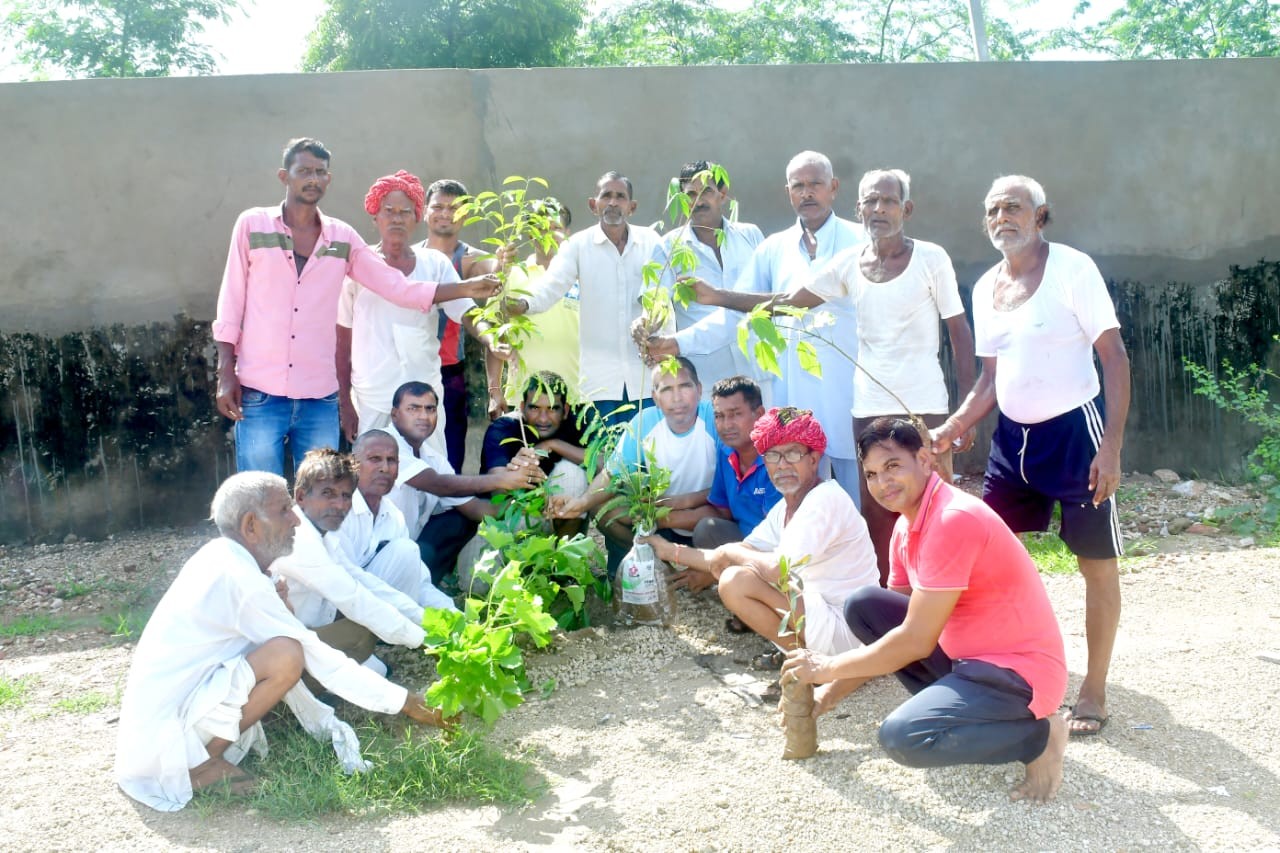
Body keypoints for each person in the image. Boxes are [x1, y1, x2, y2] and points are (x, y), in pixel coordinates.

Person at [114, 471, 449, 812]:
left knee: (302, 648)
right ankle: (200, 764)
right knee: (286, 656)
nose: (296, 521)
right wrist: (407, 703)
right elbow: (315, 656)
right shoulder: (239, 576)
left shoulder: (225, 557)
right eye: (284, 511)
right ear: (251, 526)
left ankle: (204, 752)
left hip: (158, 728)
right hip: (162, 745)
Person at [930, 175, 1130, 738]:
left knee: (1096, 564)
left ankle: (1093, 689)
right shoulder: (986, 286)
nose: (1002, 218)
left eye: (1013, 208)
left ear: (1041, 215)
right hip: (1011, 444)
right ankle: (996, 667)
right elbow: (990, 379)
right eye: (992, 210)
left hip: (1076, 435)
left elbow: (1113, 357)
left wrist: (1111, 445)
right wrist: (956, 424)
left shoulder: (1072, 269)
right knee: (986, 554)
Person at [782, 417, 1068, 802]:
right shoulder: (906, 526)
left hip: (1017, 673)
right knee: (864, 606)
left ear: (924, 459)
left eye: (893, 466)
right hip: (968, 660)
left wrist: (827, 668)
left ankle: (1039, 737)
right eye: (871, 474)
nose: (883, 483)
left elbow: (915, 640)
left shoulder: (952, 520)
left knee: (904, 738)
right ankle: (972, 711)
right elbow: (892, 631)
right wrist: (826, 696)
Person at [212, 138, 500, 475]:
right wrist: (225, 372)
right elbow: (231, 301)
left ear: (329, 180)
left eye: (320, 172)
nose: (313, 179)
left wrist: (465, 289)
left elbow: (397, 287)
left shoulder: (343, 239)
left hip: (318, 395)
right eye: (304, 171)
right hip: (261, 390)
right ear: (284, 176)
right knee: (260, 491)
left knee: (321, 492)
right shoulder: (253, 224)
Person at [784, 168, 976, 584]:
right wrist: (717, 297)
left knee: (934, 503)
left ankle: (942, 598)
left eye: (888, 201)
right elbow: (787, 303)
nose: (878, 209)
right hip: (869, 405)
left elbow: (959, 333)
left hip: (924, 405)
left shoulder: (930, 258)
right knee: (878, 507)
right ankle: (891, 601)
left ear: (906, 208)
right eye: (870, 201)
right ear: (858, 208)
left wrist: (965, 415)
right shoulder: (848, 264)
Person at [643, 151, 864, 502]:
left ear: (834, 188)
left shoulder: (862, 241)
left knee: (862, 492)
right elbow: (737, 315)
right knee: (802, 489)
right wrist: (677, 344)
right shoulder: (773, 249)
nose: (807, 193)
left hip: (851, 387)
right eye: (799, 186)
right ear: (788, 192)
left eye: (816, 185)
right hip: (793, 388)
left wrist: (716, 296)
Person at [645, 407, 878, 678]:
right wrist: (668, 550)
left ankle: (816, 667)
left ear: (814, 459)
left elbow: (777, 570)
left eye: (793, 454)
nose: (782, 465)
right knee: (736, 571)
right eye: (772, 455)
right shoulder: (786, 507)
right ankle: (805, 660)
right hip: (823, 618)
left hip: (849, 631)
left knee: (736, 580)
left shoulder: (823, 501)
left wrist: (731, 551)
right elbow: (727, 556)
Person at [336, 170, 505, 446]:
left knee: (432, 467)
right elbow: (342, 340)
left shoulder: (434, 263)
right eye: (388, 210)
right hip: (373, 396)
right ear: (375, 217)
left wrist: (491, 337)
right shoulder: (358, 267)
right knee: (374, 474)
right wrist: (345, 401)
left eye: (405, 211)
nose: (396, 218)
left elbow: (466, 311)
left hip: (424, 394)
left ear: (417, 217)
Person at [271, 449, 449, 687]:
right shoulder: (297, 539)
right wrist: (425, 639)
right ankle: (283, 695)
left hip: (311, 629)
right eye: (328, 494)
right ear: (301, 497)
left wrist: (429, 622)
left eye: (345, 496)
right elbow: (353, 597)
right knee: (359, 635)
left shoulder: (324, 533)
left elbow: (363, 580)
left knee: (378, 670)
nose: (339, 504)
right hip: (276, 649)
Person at [506, 171, 664, 424]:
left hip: (646, 375)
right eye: (606, 196)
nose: (613, 202)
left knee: (648, 455)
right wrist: (523, 304)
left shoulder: (652, 241)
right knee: (604, 458)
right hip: (599, 382)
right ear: (593, 205)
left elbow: (660, 293)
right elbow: (550, 287)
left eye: (620, 197)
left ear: (631, 207)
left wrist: (651, 320)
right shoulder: (578, 245)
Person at [549, 357, 717, 575]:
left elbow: (730, 491)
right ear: (655, 397)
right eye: (666, 389)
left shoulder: (714, 419)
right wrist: (581, 503)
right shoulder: (644, 422)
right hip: (658, 516)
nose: (677, 398)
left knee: (719, 519)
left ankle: (709, 568)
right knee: (603, 511)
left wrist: (676, 503)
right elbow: (612, 474)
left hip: (705, 517)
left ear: (700, 389)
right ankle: (658, 565)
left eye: (685, 386)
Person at [383, 383, 534, 584]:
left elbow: (475, 508)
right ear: (395, 414)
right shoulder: (384, 445)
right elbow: (438, 484)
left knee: (458, 520)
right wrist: (502, 479)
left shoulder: (432, 457)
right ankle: (407, 587)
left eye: (430, 409)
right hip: (376, 554)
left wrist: (526, 501)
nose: (423, 416)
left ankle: (424, 584)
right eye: (413, 408)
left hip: (408, 550)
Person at [645, 160, 764, 396]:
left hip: (758, 367)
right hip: (707, 373)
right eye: (690, 194)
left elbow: (767, 298)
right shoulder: (669, 246)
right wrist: (645, 327)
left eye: (706, 191)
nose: (698, 201)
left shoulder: (750, 235)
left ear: (722, 194)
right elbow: (656, 303)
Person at [418, 178, 503, 471]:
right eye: (438, 207)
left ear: (465, 214)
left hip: (450, 370)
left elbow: (493, 274)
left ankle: (449, 510)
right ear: (425, 211)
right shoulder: (410, 257)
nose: (445, 213)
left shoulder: (471, 258)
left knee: (450, 451)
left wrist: (502, 264)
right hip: (411, 365)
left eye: (454, 208)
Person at [676, 375, 781, 595]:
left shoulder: (777, 459)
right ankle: (738, 584)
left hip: (777, 553)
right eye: (719, 416)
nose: (726, 425)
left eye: (735, 414)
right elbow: (723, 511)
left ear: (759, 415)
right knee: (707, 529)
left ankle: (755, 593)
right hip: (743, 542)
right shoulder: (726, 453)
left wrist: (711, 568)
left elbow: (779, 538)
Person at [334, 429, 458, 605]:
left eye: (391, 460)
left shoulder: (394, 516)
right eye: (375, 459)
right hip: (331, 615)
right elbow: (341, 584)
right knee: (406, 551)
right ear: (353, 464)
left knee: (408, 554)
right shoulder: (337, 510)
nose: (385, 468)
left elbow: (420, 584)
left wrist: (454, 617)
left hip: (372, 609)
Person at [481, 370, 590, 533]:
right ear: (522, 407)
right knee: (472, 555)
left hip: (557, 516)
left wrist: (553, 444)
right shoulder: (503, 428)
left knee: (572, 473)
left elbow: (607, 466)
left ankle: (564, 554)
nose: (543, 418)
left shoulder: (577, 423)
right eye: (535, 408)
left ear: (565, 410)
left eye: (552, 409)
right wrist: (518, 471)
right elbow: (498, 491)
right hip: (511, 519)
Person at [498, 199, 581, 403]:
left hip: (576, 396)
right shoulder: (511, 274)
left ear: (567, 233)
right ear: (529, 233)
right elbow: (494, 329)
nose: (548, 234)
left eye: (555, 228)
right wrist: (494, 390)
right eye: (541, 228)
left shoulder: (582, 275)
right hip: (522, 395)